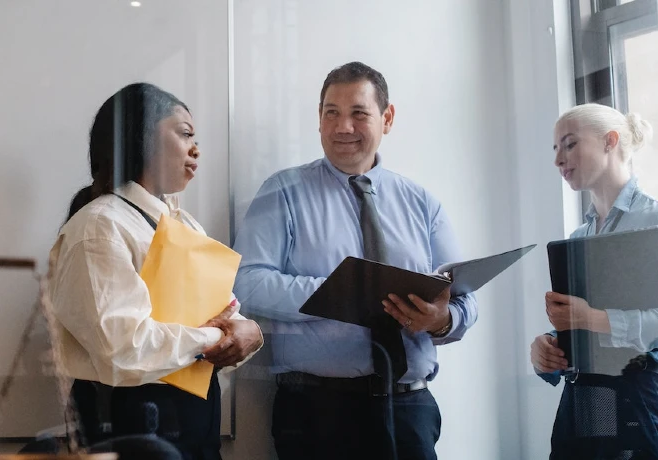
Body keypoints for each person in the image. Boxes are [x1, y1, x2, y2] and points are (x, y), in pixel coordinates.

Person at [232, 61, 478, 460]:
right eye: (331, 113)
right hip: (316, 412)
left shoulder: (421, 203)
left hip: (409, 410)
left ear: (387, 117)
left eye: (358, 114)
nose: (343, 127)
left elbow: (462, 294)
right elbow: (247, 284)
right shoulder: (282, 192)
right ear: (319, 119)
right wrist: (344, 290)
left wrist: (441, 320)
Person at [49, 82, 263, 460]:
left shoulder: (187, 226)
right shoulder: (100, 226)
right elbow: (121, 347)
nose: (196, 149)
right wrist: (214, 337)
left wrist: (249, 333)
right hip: (129, 423)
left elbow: (226, 313)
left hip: (197, 419)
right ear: (141, 137)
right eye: (184, 134)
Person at [530, 103, 658, 459]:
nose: (558, 160)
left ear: (610, 141)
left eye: (570, 144)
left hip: (641, 400)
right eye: (556, 149)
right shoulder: (578, 237)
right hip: (585, 402)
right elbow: (581, 332)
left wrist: (591, 318)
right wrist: (548, 348)